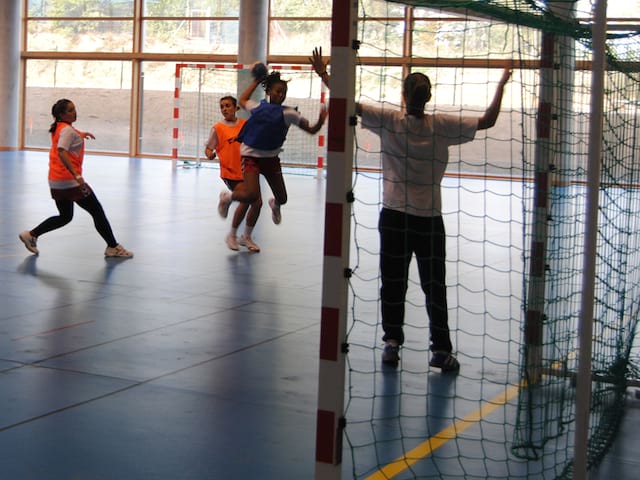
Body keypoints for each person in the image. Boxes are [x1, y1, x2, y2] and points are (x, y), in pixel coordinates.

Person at [311, 48, 511, 372]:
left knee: (393, 281)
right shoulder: (442, 125)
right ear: (429, 96)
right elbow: (487, 121)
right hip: (429, 220)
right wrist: (501, 81)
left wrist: (323, 74)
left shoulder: (389, 120)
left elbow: (347, 101)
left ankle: (392, 343)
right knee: (435, 285)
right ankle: (441, 351)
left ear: (403, 95)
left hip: (394, 216)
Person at [19, 99, 133, 258]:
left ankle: (31, 235)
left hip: (56, 180)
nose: (75, 112)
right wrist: (76, 175)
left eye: (74, 109)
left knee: (65, 216)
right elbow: (62, 149)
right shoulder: (67, 131)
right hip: (70, 181)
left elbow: (68, 135)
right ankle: (113, 246)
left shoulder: (59, 128)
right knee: (97, 211)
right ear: (61, 114)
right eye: (70, 110)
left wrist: (81, 134)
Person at [217, 69, 328, 226]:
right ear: (269, 91)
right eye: (278, 91)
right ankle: (227, 198)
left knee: (282, 198)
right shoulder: (258, 107)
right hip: (251, 156)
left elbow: (312, 130)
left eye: (284, 92)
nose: (281, 95)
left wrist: (321, 121)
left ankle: (275, 205)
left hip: (271, 159)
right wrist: (256, 81)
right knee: (252, 195)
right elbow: (242, 99)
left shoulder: (289, 113)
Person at [206, 96, 262, 252]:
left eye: (228, 105)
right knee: (246, 200)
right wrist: (209, 154)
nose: (225, 109)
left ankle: (246, 237)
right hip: (230, 172)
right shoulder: (218, 128)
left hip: (247, 171)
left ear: (236, 108)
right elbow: (209, 148)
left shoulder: (245, 125)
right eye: (222, 106)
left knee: (257, 203)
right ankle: (232, 235)